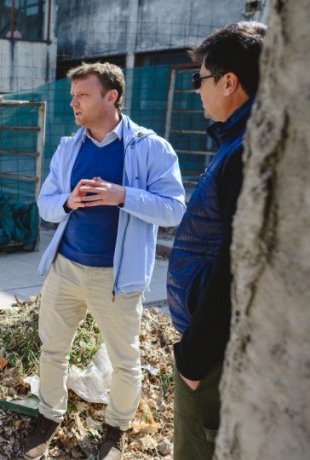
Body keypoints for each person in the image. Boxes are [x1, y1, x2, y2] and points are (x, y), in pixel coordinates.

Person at [24, 62, 186, 460]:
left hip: (117, 278)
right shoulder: (69, 147)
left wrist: (122, 195)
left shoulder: (151, 147)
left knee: (125, 361)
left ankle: (116, 429)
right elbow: (46, 205)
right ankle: (48, 415)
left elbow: (175, 210)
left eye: (82, 96)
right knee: (52, 350)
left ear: (110, 97)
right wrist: (67, 201)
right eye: (73, 96)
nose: (73, 103)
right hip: (67, 269)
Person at [167, 22, 265, 459]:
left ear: (230, 82)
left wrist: (193, 359)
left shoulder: (248, 153)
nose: (196, 90)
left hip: (214, 359)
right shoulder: (241, 144)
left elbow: (238, 269)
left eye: (199, 78)